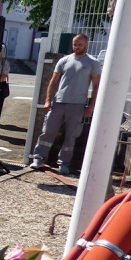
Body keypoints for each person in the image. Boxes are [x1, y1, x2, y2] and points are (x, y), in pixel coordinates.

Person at [30, 33, 102, 174]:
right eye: (75, 44)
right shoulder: (64, 60)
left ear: (86, 44)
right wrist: (47, 100)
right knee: (48, 131)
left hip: (77, 105)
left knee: (71, 136)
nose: (77, 47)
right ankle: (38, 158)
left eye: (80, 45)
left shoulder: (93, 63)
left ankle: (64, 163)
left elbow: (97, 86)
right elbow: (53, 81)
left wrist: (91, 107)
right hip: (58, 102)